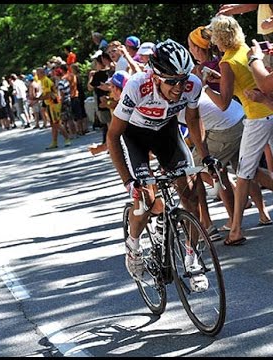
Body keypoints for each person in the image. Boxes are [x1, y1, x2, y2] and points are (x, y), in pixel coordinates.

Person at [106, 39, 217, 290]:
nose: (179, 87)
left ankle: (192, 257)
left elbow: (193, 119)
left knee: (192, 194)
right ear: (155, 77)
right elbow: (113, 136)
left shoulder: (193, 85)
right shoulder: (137, 86)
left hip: (167, 134)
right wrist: (128, 181)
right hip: (135, 137)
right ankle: (133, 246)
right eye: (171, 81)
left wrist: (205, 157)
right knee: (145, 199)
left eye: (182, 79)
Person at [205, 15, 273, 245]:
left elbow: (223, 103)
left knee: (243, 175)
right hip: (269, 111)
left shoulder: (226, 62)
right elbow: (244, 80)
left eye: (214, 37)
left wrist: (204, 86)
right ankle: (253, 219)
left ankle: (235, 230)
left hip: (257, 117)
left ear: (219, 38)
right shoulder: (245, 49)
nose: (213, 42)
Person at [88, 70, 130, 156]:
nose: (110, 88)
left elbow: (115, 137)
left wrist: (98, 149)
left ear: (119, 89)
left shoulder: (125, 107)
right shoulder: (129, 99)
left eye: (112, 86)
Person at [36, 67, 71, 150]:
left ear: (42, 73)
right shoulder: (41, 81)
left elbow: (48, 94)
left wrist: (36, 99)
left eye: (38, 73)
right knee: (53, 124)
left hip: (54, 104)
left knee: (57, 123)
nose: (37, 75)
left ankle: (67, 139)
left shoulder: (46, 80)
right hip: (49, 104)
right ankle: (54, 142)